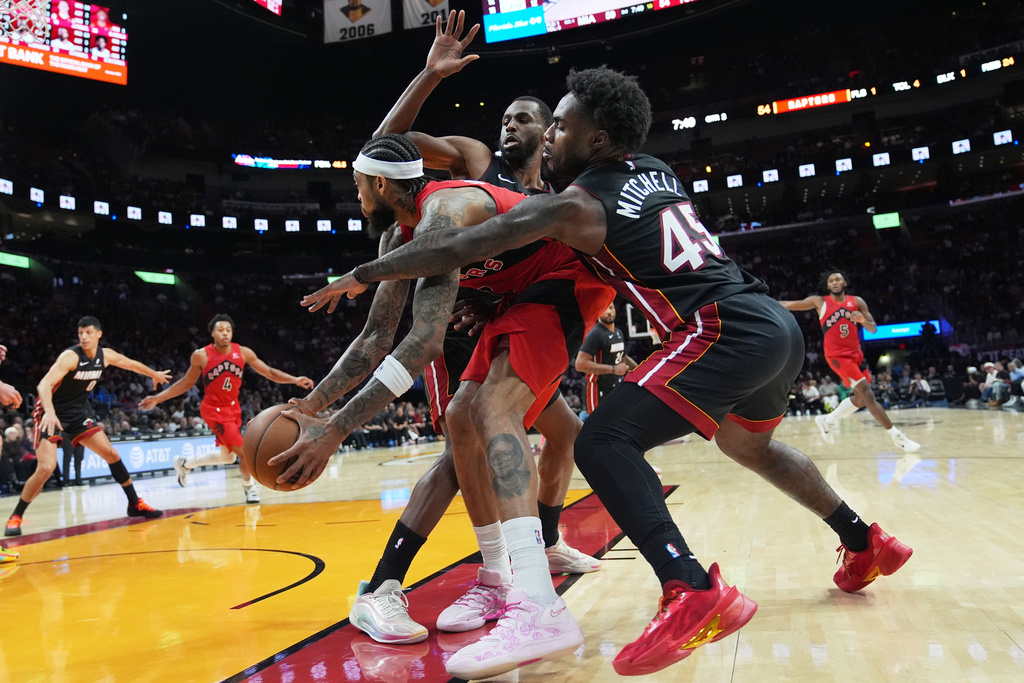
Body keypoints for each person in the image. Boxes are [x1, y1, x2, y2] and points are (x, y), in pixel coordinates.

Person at [321, 66, 913, 678]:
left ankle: (688, 587)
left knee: (602, 440)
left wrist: (364, 273)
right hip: (772, 326)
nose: (549, 135)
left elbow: (454, 247)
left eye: (560, 126)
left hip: (717, 327)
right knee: (750, 445)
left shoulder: (577, 204)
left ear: (598, 140)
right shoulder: (655, 168)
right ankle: (864, 540)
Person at [310, 11, 602, 648]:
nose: (509, 125)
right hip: (453, 321)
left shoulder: (554, 191)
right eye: (506, 118)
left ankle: (540, 545)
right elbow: (384, 150)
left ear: (551, 129)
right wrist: (427, 75)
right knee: (460, 449)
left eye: (525, 117)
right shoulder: (472, 161)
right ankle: (393, 582)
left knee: (564, 432)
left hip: (514, 319)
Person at [5, 317, 170, 538]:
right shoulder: (70, 356)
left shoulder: (106, 355)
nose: (83, 337)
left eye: (89, 333)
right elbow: (44, 384)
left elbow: (129, 363)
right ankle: (16, 516)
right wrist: (51, 412)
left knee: (111, 453)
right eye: (80, 333)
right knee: (46, 468)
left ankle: (135, 503)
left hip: (78, 413)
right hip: (50, 412)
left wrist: (154, 374)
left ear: (99, 334)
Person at [139, 314, 313, 504]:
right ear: (212, 333)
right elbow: (186, 383)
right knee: (245, 452)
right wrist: (158, 398)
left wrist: (294, 379)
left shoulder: (243, 352)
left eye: (228, 330)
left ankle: (185, 463)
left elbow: (269, 372)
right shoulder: (201, 355)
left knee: (227, 457)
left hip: (234, 409)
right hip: (214, 411)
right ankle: (250, 489)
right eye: (220, 330)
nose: (225, 333)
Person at [780, 272, 921, 452]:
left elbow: (873, 329)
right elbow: (790, 304)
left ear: (845, 281)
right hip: (837, 356)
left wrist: (863, 320)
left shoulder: (857, 302)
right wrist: (763, 302)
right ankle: (897, 436)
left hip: (856, 355)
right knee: (867, 393)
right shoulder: (820, 302)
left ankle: (827, 420)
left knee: (861, 400)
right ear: (828, 285)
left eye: (838, 279)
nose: (835, 282)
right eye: (831, 281)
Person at [575, 301, 637, 414]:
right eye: (604, 309)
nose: (609, 312)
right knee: (597, 426)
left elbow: (623, 357)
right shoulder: (595, 334)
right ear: (597, 312)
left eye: (611, 308)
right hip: (597, 388)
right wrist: (613, 369)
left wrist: (640, 370)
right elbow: (580, 364)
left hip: (615, 386)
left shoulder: (618, 333)